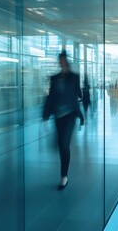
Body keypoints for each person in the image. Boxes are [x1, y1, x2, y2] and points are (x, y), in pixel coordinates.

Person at [43, 50, 82, 190]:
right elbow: (50, 98)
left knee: (64, 144)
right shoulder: (54, 78)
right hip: (58, 116)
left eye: (63, 60)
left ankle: (64, 176)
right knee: (61, 145)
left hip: (70, 115)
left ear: (66, 60)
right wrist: (45, 116)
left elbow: (77, 95)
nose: (61, 62)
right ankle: (63, 174)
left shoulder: (73, 77)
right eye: (60, 60)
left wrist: (80, 115)